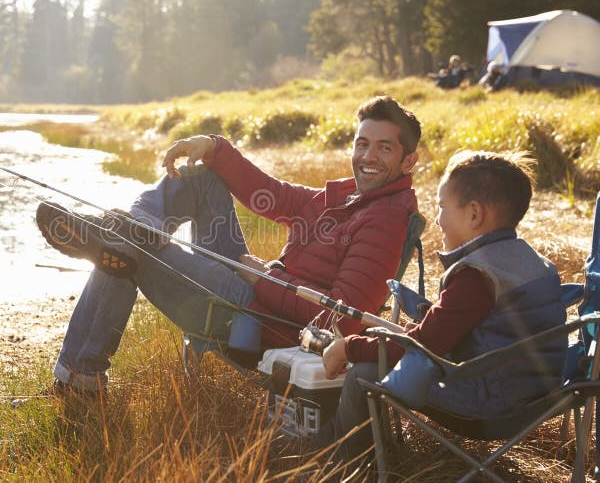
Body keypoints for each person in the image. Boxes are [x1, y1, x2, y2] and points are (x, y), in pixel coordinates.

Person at [37, 95, 421, 394]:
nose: (368, 156)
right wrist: (211, 146)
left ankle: (80, 374)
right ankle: (139, 225)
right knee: (203, 180)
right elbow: (271, 193)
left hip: (263, 318)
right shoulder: (342, 198)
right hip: (256, 291)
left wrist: (261, 279)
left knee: (125, 248)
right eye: (362, 144)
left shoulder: (384, 220)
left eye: (384, 148)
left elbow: (340, 319)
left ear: (409, 160)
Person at [321, 150, 567, 460]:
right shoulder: (534, 262)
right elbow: (470, 332)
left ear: (474, 214)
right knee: (389, 348)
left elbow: (425, 347)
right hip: (539, 397)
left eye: (441, 207)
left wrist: (348, 347)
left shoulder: (477, 276)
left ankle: (345, 465)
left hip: (488, 406)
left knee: (363, 373)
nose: (437, 219)